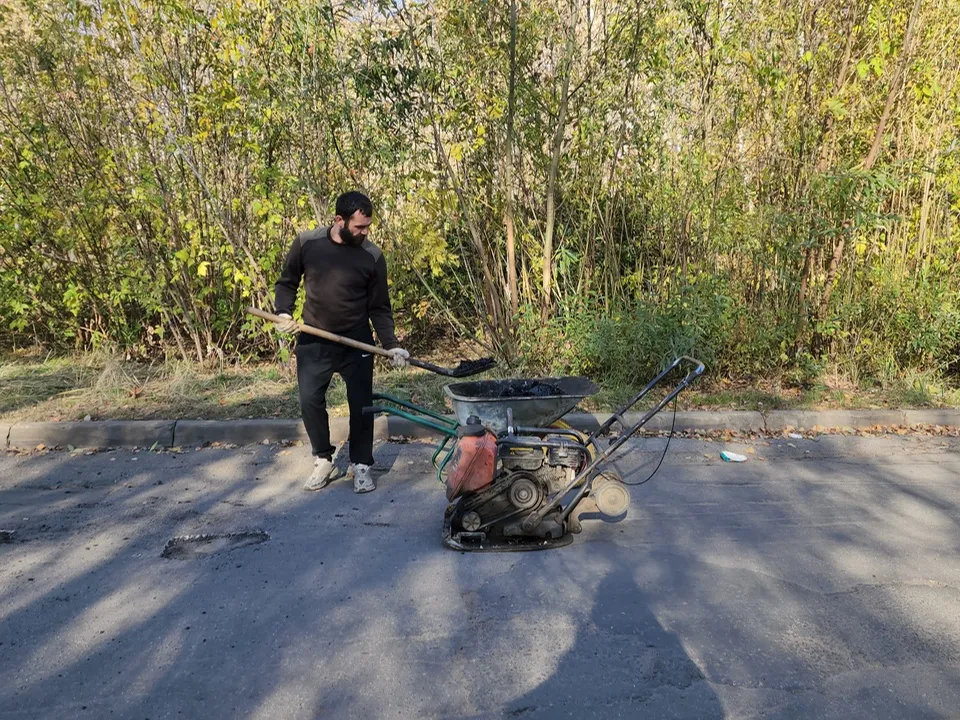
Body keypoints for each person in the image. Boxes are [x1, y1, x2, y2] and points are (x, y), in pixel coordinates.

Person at [272, 191, 409, 493]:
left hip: (357, 341)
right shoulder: (308, 243)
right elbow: (287, 282)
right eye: (359, 227)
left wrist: (392, 343)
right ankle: (324, 459)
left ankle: (361, 464)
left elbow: (379, 308)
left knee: (361, 405)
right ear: (339, 220)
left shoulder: (372, 256)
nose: (364, 233)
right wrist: (283, 312)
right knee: (309, 400)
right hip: (314, 338)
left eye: (368, 227)